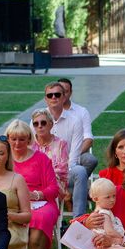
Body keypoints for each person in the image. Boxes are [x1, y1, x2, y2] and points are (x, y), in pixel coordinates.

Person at [7, 119, 60, 249]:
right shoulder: (4, 159)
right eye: (13, 139)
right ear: (8, 139)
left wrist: (35, 195)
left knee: (40, 219)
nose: (17, 143)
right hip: (13, 203)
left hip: (40, 202)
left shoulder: (41, 159)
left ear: (29, 139)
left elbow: (54, 189)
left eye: (22, 139)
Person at [43, 81, 89, 217]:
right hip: (43, 171)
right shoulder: (38, 120)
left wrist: (59, 175)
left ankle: (78, 220)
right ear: (45, 99)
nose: (53, 98)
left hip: (66, 169)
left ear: (64, 97)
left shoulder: (75, 121)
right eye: (50, 95)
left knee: (80, 171)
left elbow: (74, 157)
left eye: (57, 94)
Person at [58, 77, 98, 176]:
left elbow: (88, 139)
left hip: (78, 153)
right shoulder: (48, 113)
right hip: (54, 153)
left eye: (66, 92)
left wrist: (73, 155)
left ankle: (74, 182)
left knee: (91, 160)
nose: (62, 95)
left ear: (71, 93)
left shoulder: (81, 112)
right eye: (60, 92)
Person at [31, 108, 69, 199]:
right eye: (36, 124)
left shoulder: (61, 144)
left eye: (43, 123)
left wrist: (42, 174)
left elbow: (63, 170)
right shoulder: (30, 145)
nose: (40, 126)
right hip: (32, 182)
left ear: (51, 125)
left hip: (55, 183)